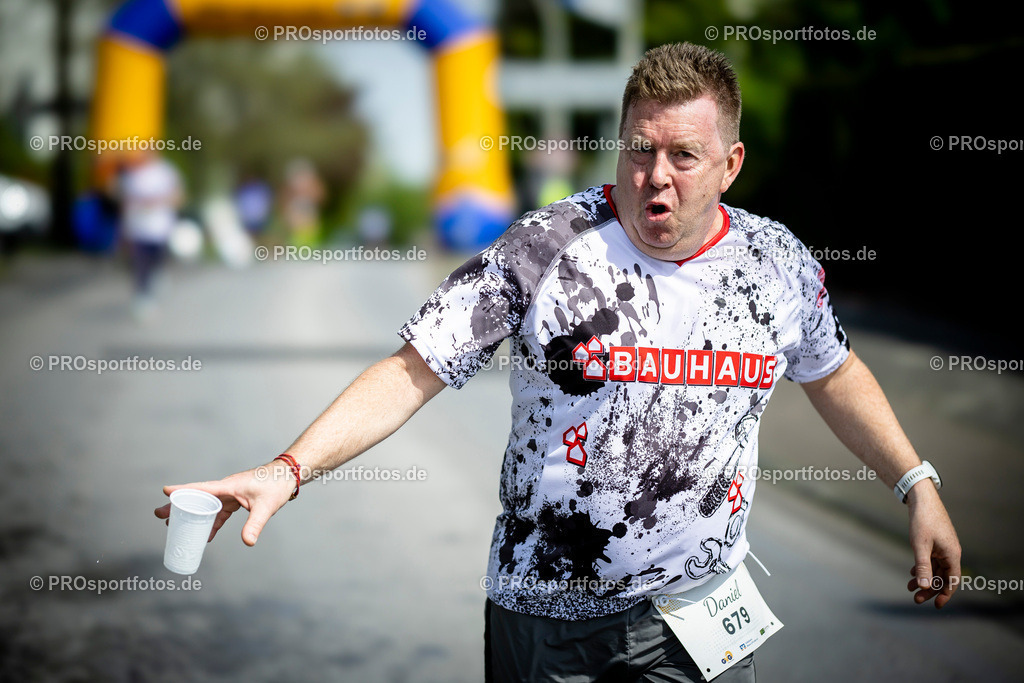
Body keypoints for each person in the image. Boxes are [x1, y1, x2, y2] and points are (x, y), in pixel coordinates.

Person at [156, 43, 960, 681]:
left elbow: (834, 371)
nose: (656, 177)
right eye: (640, 150)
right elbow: (414, 370)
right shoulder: (546, 249)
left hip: (697, 618)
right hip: (546, 619)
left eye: (684, 156)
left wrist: (915, 482)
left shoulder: (775, 264)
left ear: (731, 163)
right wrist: (287, 468)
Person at [116, 151, 184, 319]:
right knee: (140, 267)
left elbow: (178, 196)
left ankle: (157, 278)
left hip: (160, 229)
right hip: (138, 230)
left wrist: (157, 201)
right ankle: (143, 300)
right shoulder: (131, 174)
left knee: (157, 262)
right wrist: (123, 229)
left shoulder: (166, 172)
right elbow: (123, 200)